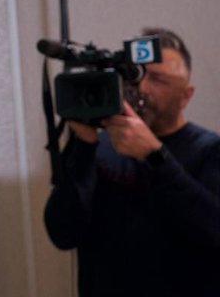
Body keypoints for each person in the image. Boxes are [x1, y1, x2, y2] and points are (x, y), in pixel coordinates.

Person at [44, 28, 220, 296]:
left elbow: (213, 230)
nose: (142, 87)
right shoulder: (99, 148)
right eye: (134, 74)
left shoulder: (210, 150)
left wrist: (155, 156)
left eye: (158, 80)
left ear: (186, 95)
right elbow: (63, 233)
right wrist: (83, 146)